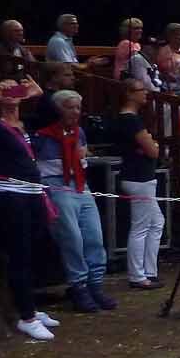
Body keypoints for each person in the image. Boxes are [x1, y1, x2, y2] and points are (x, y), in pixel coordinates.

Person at [0, 75, 63, 339]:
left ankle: (32, 306)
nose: (11, 94)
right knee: (19, 253)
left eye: (15, 89)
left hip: (34, 193)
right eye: (6, 90)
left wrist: (37, 92)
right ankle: (26, 315)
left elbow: (51, 116)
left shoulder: (25, 124)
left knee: (36, 249)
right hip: (11, 195)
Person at [32, 87, 118, 311]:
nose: (75, 112)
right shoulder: (42, 136)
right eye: (70, 107)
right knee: (72, 239)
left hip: (81, 186)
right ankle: (78, 287)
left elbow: (82, 157)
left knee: (94, 236)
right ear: (58, 110)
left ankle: (95, 285)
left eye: (78, 107)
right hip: (58, 186)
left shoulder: (79, 132)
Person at [114, 76, 165, 287]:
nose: (145, 93)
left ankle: (149, 270)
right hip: (138, 177)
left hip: (143, 176)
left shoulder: (132, 119)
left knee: (156, 222)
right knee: (141, 226)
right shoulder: (130, 120)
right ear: (129, 94)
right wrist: (153, 145)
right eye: (140, 90)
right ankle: (137, 275)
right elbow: (152, 150)